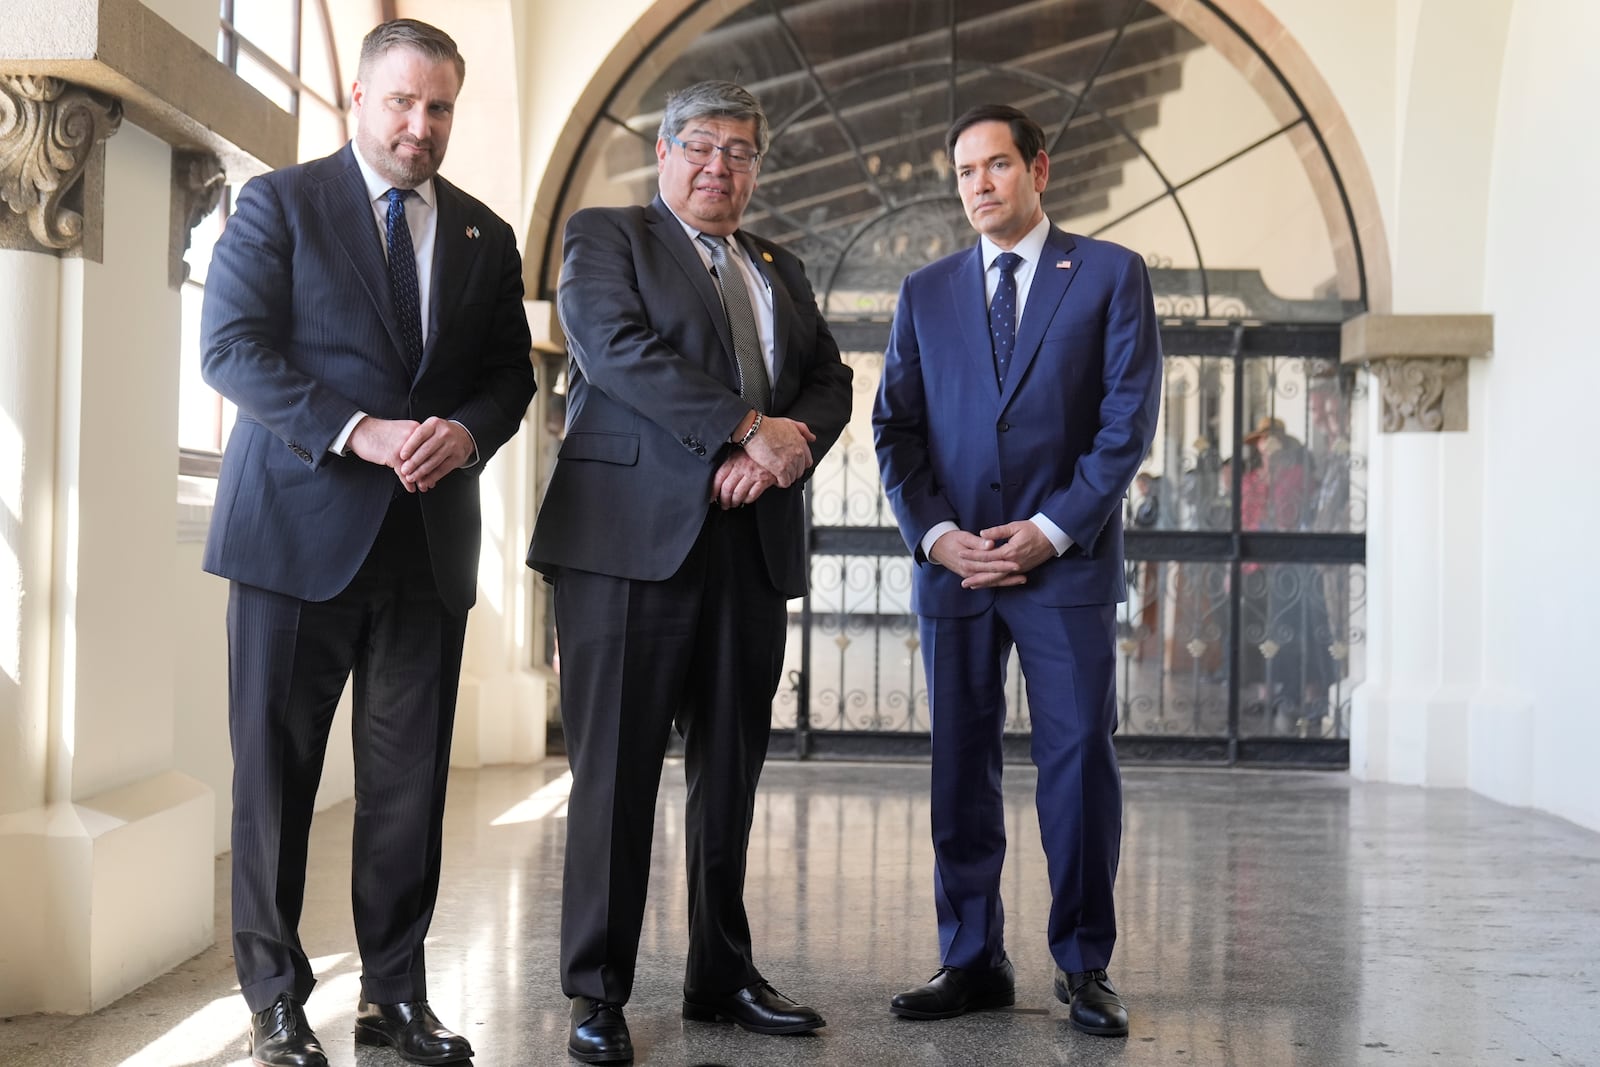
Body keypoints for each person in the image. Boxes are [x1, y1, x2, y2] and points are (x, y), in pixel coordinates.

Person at [200, 19, 536, 1067]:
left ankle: (395, 997)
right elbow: (229, 349)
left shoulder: (484, 234)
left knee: (406, 789)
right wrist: (360, 428)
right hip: (293, 539)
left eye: (438, 108)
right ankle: (274, 1000)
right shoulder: (281, 205)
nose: (420, 125)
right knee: (275, 782)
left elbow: (509, 377)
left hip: (425, 549)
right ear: (358, 98)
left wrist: (467, 429)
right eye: (402, 103)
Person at [528, 81, 853, 1064]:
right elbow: (614, 349)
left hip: (747, 549)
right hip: (626, 546)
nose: (721, 166)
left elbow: (828, 381)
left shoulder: (776, 265)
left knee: (730, 776)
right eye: (702, 146)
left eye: (742, 151)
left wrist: (780, 451)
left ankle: (721, 972)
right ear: (664, 153)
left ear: (759, 164)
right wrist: (745, 426)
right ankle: (597, 990)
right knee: (615, 776)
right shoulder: (605, 236)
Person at [873, 104, 1162, 1038]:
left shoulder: (1111, 275)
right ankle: (971, 957)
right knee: (960, 764)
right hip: (956, 570)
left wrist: (1050, 528)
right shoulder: (925, 292)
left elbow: (1126, 424)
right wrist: (935, 535)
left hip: (1063, 570)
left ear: (1039, 168)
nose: (979, 185)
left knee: (1077, 762)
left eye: (997, 166)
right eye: (964, 172)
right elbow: (896, 428)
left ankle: (1083, 965)